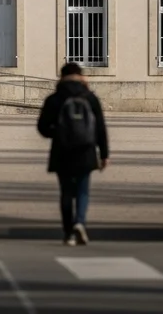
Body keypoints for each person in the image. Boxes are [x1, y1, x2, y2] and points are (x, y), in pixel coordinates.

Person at [37, 62, 109, 246]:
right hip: (86, 149)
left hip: (62, 149)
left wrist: (59, 132)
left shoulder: (55, 98)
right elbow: (100, 128)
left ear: (61, 77)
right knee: (83, 190)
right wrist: (104, 154)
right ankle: (80, 222)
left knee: (66, 192)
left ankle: (68, 232)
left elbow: (42, 127)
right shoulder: (90, 97)